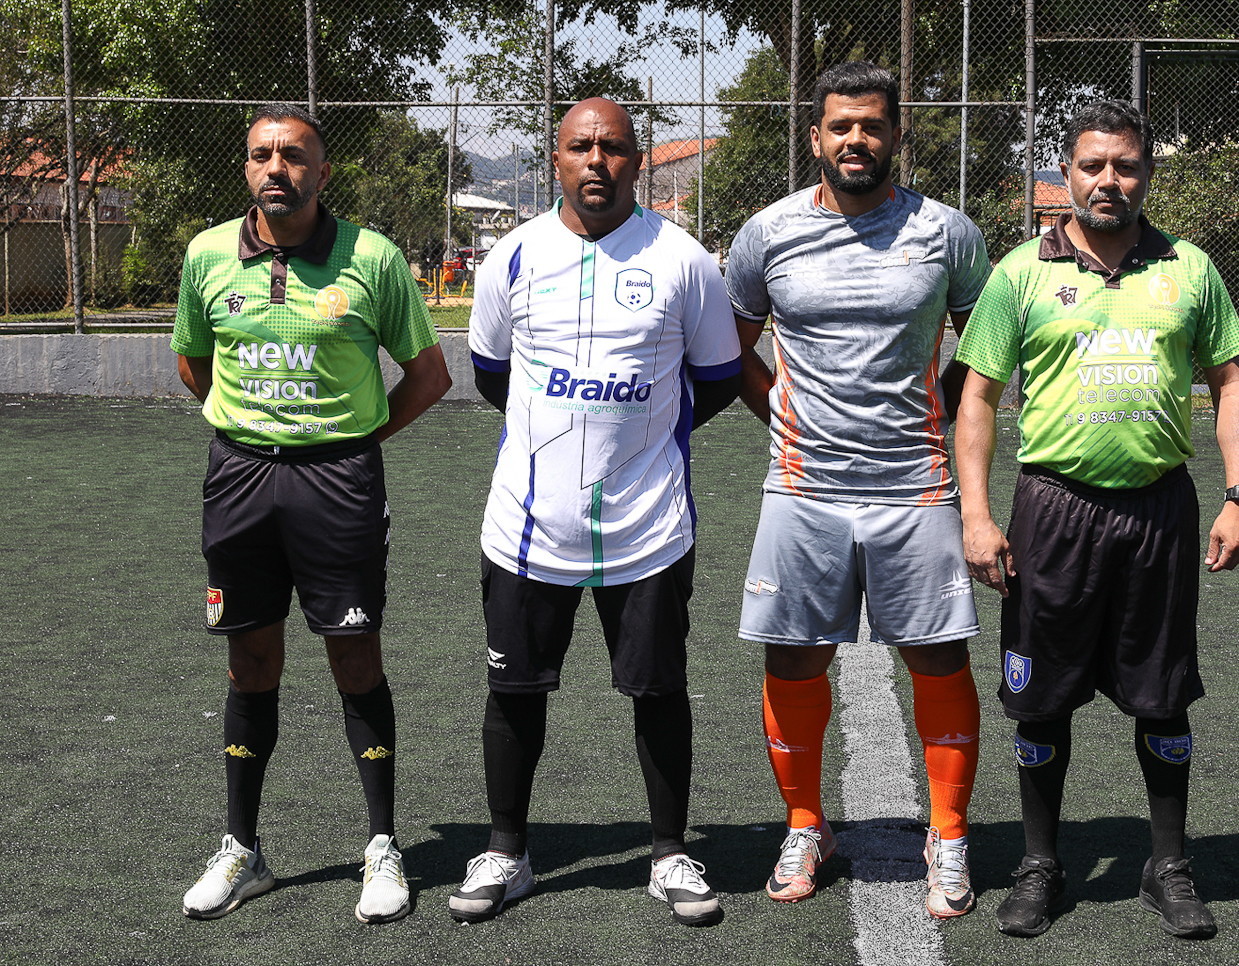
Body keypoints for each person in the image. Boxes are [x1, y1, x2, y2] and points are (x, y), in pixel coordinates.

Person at [954, 99, 1239, 940]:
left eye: (1125, 166)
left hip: (1159, 510)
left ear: (1147, 175)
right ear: (1067, 175)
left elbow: (1230, 383)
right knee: (1040, 702)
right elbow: (976, 398)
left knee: (1162, 699)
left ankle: (1168, 867)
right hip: (1052, 509)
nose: (1109, 181)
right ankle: (1039, 865)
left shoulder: (1189, 268)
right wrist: (976, 515)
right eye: (1093, 166)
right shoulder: (1020, 272)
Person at [452, 97, 741, 928]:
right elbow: (492, 374)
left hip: (648, 524)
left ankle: (669, 851)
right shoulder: (510, 257)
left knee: (658, 689)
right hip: (529, 524)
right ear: (556, 159)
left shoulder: (684, 260)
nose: (596, 163)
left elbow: (717, 377)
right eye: (580, 147)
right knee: (515, 691)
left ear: (637, 161)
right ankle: (506, 851)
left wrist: (644, 441)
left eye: (614, 148)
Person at [172, 104, 452, 923]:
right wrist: (252, 428)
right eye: (261, 155)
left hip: (338, 485)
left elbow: (429, 376)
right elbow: (196, 364)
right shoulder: (206, 255)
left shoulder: (374, 258)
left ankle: (381, 847)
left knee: (353, 658)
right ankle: (242, 850)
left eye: (293, 155)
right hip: (239, 481)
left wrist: (356, 438)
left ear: (322, 172)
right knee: (249, 663)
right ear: (246, 170)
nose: (276, 168)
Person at [726, 62, 993, 919]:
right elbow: (734, 345)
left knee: (939, 655)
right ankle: (807, 823)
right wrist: (786, 416)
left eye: (872, 126)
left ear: (896, 136)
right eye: (840, 126)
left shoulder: (947, 232)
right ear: (815, 137)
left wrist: (937, 410)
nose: (856, 140)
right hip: (803, 485)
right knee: (793, 656)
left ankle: (948, 835)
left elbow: (982, 349)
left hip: (916, 483)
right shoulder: (767, 233)